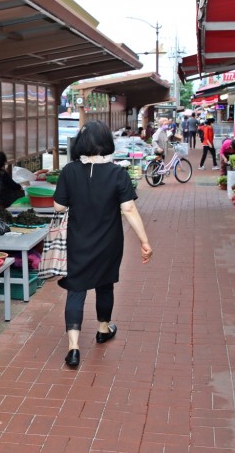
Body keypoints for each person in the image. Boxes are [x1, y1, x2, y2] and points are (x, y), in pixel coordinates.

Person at [52, 121, 152, 368]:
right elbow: (128, 209)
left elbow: (59, 207)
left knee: (76, 290)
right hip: (108, 241)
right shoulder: (118, 173)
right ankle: (103, 329)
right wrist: (145, 241)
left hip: (77, 241)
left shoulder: (69, 171)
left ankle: (73, 349)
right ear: (106, 143)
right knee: (105, 285)